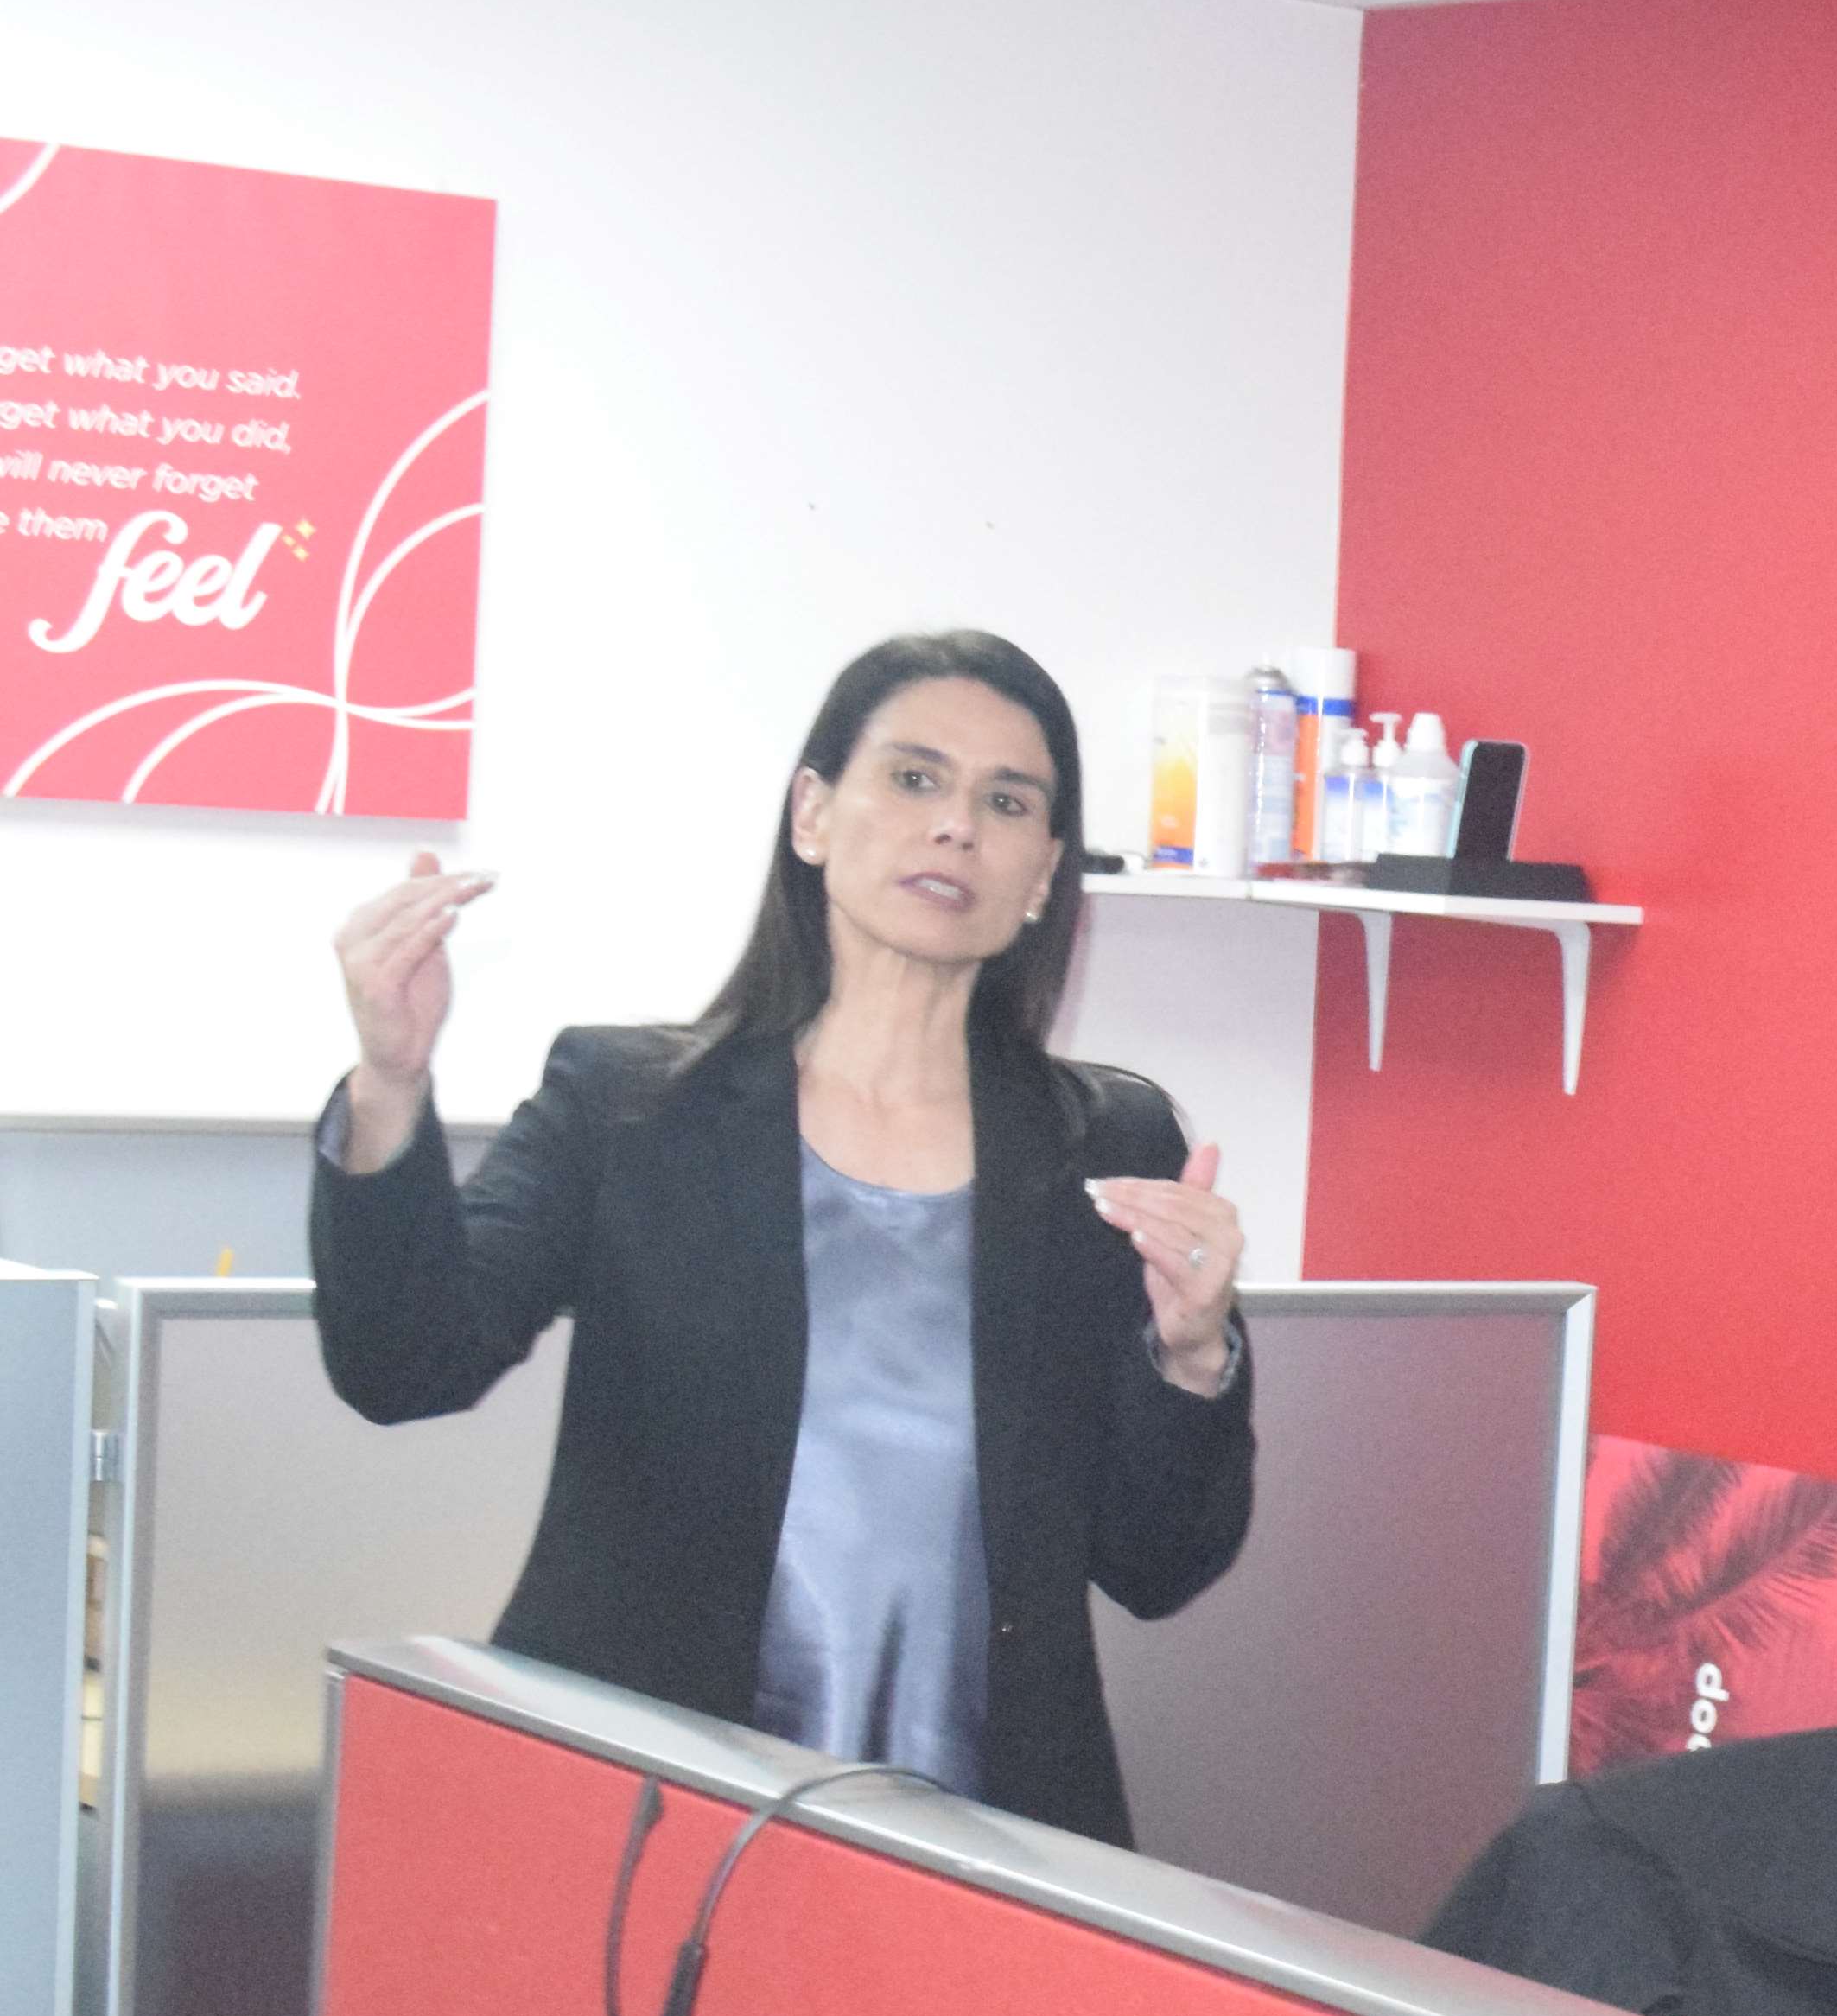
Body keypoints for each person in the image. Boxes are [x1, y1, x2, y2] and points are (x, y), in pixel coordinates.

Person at [309, 631, 1255, 1847]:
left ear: (1042, 874)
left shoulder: (1108, 1143)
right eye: (914, 779)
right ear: (812, 813)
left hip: (998, 1839)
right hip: (648, 1819)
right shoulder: (629, 1103)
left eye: (1004, 801)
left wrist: (1191, 1359)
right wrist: (390, 1083)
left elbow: (1160, 1566)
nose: (956, 826)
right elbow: (402, 1366)